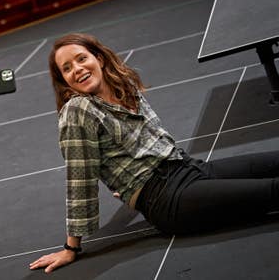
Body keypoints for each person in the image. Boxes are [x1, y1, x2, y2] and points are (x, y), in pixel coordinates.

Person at [29, 32, 279, 273]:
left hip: (188, 167)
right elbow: (80, 178)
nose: (77, 69)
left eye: (81, 58)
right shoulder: (78, 109)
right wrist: (71, 248)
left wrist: (124, 182)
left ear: (99, 59)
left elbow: (152, 138)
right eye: (67, 68)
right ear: (64, 80)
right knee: (272, 191)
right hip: (167, 198)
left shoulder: (122, 84)